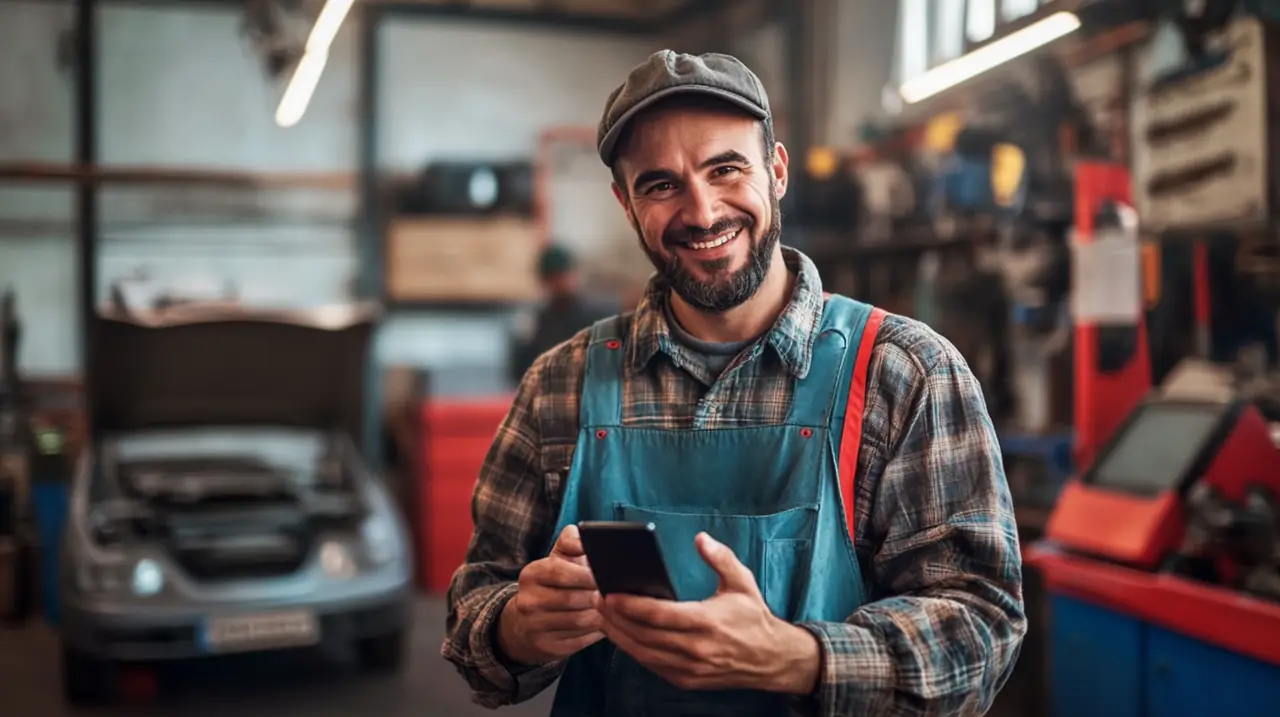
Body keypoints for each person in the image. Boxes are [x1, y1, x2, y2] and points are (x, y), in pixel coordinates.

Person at [443, 50, 1026, 716]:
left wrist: (799, 658)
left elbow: (981, 631)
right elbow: (472, 615)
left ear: (776, 171)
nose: (701, 210)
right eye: (660, 184)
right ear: (626, 205)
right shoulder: (560, 386)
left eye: (726, 168)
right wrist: (518, 626)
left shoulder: (906, 374)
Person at [509, 244, 614, 385]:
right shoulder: (538, 321)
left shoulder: (598, 317)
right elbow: (520, 371)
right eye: (553, 278)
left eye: (563, 276)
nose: (560, 283)